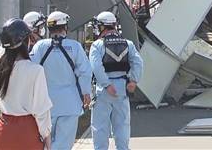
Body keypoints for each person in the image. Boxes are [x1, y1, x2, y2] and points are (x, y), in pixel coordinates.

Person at [30, 11, 92, 150]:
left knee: (44, 141)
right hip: (70, 102)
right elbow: (85, 72)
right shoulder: (75, 46)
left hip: (45, 102)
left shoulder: (40, 46)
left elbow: (31, 69)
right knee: (64, 143)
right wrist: (86, 93)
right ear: (65, 27)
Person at [0, 18, 52, 150]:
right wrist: (47, 139)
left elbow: (4, 49)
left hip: (3, 131)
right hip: (27, 132)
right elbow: (41, 111)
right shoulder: (36, 70)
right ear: (25, 41)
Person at [89, 11, 143, 150]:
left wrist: (106, 84)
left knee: (100, 127)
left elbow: (96, 67)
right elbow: (138, 63)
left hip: (103, 90)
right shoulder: (128, 44)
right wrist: (133, 81)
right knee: (122, 125)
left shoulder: (97, 45)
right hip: (122, 88)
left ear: (102, 27)